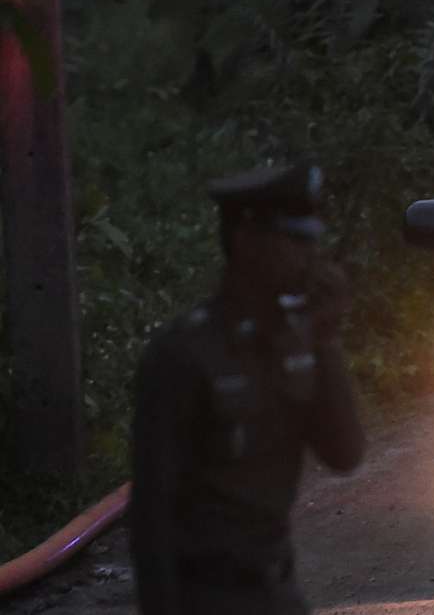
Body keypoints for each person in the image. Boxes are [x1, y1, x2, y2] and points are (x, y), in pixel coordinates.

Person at [131, 162, 365, 615]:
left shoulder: (297, 342)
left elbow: (345, 453)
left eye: (310, 241)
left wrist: (326, 339)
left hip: (277, 592)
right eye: (294, 241)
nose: (308, 257)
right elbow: (150, 514)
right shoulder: (184, 354)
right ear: (246, 241)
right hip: (208, 596)